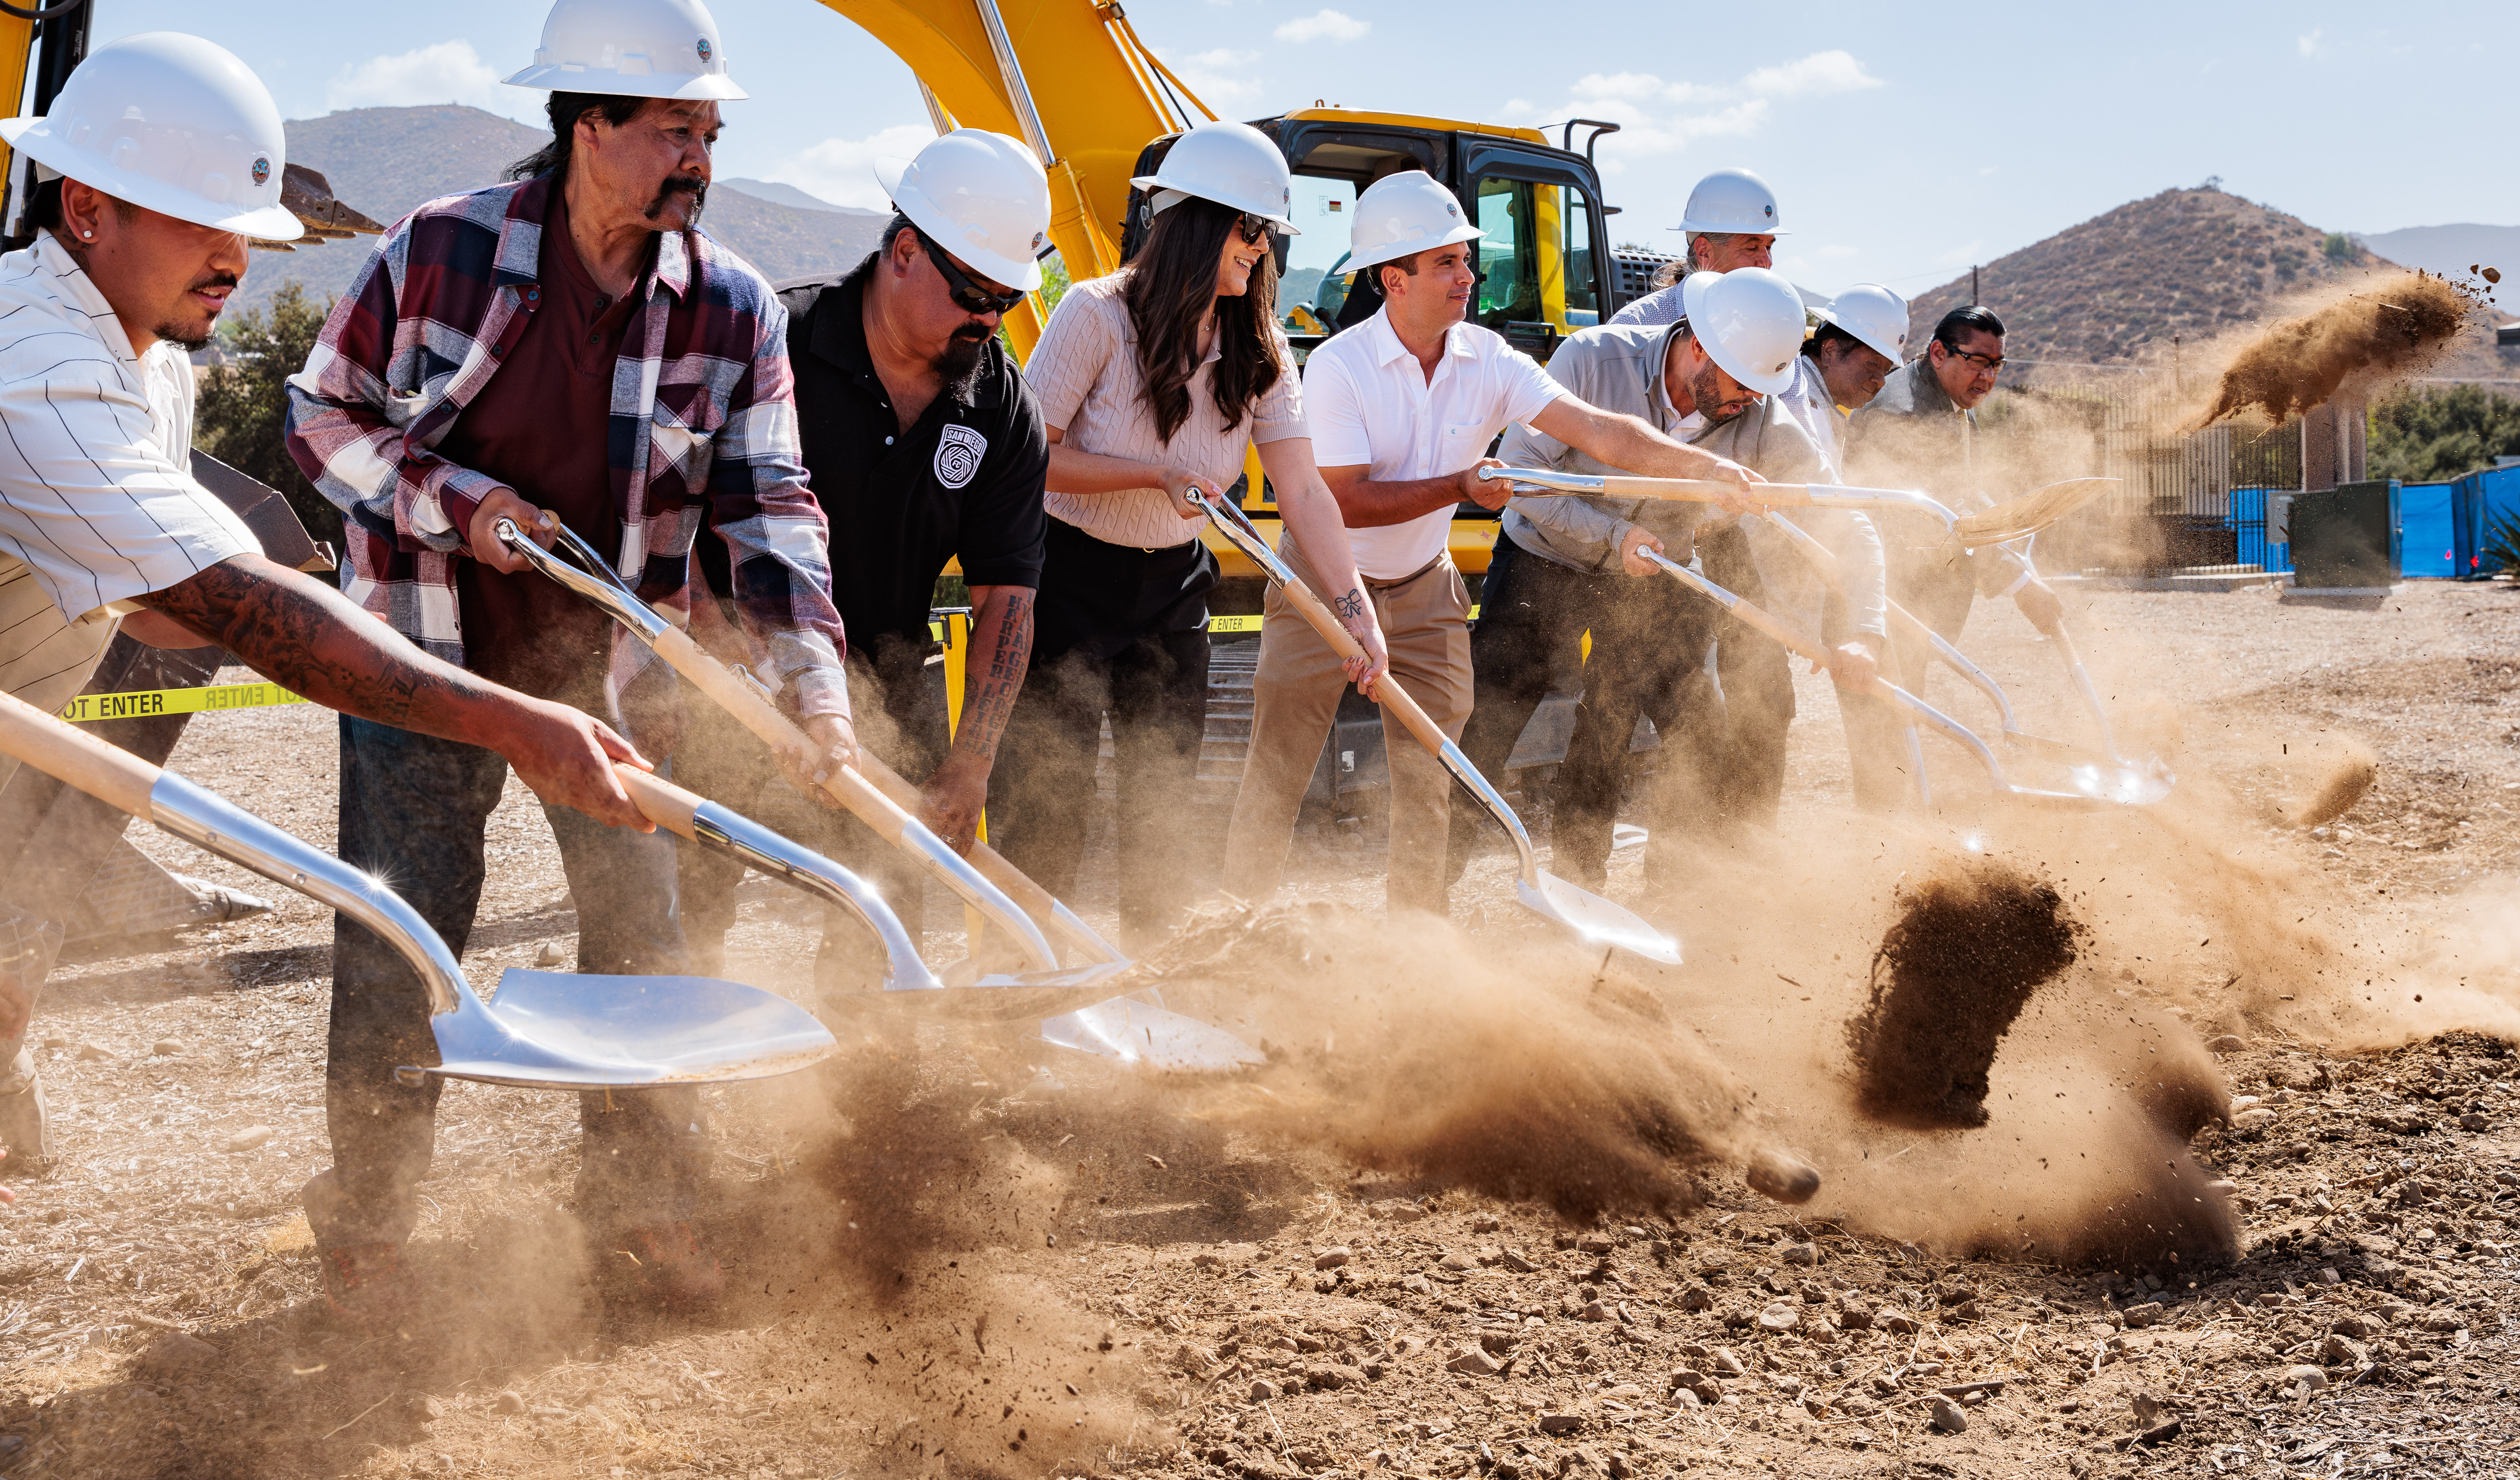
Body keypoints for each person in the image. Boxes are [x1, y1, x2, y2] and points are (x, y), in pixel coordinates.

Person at [285, 0, 855, 1314]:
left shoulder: (733, 308)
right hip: (419, 665)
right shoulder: (439, 249)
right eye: (675, 131)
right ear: (585, 121)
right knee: (397, 938)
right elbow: (320, 419)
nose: (700, 161)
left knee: (644, 945)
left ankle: (647, 1209)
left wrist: (815, 687)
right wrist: (458, 504)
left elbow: (769, 504)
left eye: (712, 135)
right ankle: (368, 1224)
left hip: (613, 684)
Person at [0, 33, 647, 1193]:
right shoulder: (34, 360)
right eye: (199, 225)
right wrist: (506, 717)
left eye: (241, 228)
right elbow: (230, 611)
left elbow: (164, 617)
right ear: (87, 208)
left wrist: (302, 602)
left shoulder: (149, 358)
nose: (233, 258)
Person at [1223, 171, 1771, 918]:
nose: (1467, 277)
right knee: (1279, 768)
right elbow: (1343, 499)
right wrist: (1460, 487)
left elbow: (1602, 432)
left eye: (1466, 260)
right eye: (1446, 262)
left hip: (1424, 591)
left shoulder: (1492, 361)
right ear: (1394, 278)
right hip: (1321, 585)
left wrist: (1705, 467)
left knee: (1432, 778)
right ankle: (1230, 927)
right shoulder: (1337, 367)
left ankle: (1419, 942)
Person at [677, 130, 1051, 997]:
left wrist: (970, 764)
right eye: (975, 290)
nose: (991, 316)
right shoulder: (778, 342)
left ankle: (871, 1095)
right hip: (729, 660)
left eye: (1007, 295)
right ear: (906, 251)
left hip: (886, 675)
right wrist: (730, 656)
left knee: (884, 918)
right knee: (689, 899)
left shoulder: (1001, 408)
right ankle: (666, 1100)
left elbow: (1008, 596)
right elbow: (669, 510)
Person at [998, 122, 1388, 948]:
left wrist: (1357, 609)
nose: (1261, 249)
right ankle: (1024, 984)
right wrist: (1152, 476)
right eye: (1250, 229)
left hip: (1173, 591)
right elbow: (1031, 460)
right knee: (1047, 805)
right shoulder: (1093, 315)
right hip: (1067, 582)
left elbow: (1307, 491)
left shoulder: (1261, 347)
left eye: (1268, 234)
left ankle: (1151, 983)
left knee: (1163, 803)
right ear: (1198, 222)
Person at [1443, 268, 1885, 891]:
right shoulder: (1594, 363)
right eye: (1741, 385)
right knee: (1491, 721)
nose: (1749, 403)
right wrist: (1613, 535)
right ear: (1700, 346)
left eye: (1763, 391)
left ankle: (1666, 897)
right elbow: (1522, 477)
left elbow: (1845, 522)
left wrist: (1868, 630)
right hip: (1546, 556)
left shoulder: (1758, 420)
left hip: (1656, 571)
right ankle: (1427, 900)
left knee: (1691, 733)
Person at [1852, 303, 2065, 682]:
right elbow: (1942, 515)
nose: (1987, 377)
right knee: (1889, 730)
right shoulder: (1906, 415)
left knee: (1907, 718)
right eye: (1977, 362)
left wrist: (2014, 542)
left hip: (1911, 602)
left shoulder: (1949, 399)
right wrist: (2019, 583)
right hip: (1882, 603)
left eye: (1997, 365)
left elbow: (1966, 489)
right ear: (1939, 353)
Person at [1777, 283, 1916, 808]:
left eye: (1887, 372)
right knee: (1759, 715)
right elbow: (1830, 513)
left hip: (1813, 567)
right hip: (1765, 567)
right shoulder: (1794, 396)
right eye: (1872, 367)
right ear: (1830, 348)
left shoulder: (1823, 398)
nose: (1879, 383)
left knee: (1876, 692)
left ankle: (1887, 823)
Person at [1604, 168, 1782, 330]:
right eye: (1751, 247)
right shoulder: (1635, 329)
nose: (1767, 262)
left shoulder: (1775, 331)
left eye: (1769, 247)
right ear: (1704, 251)